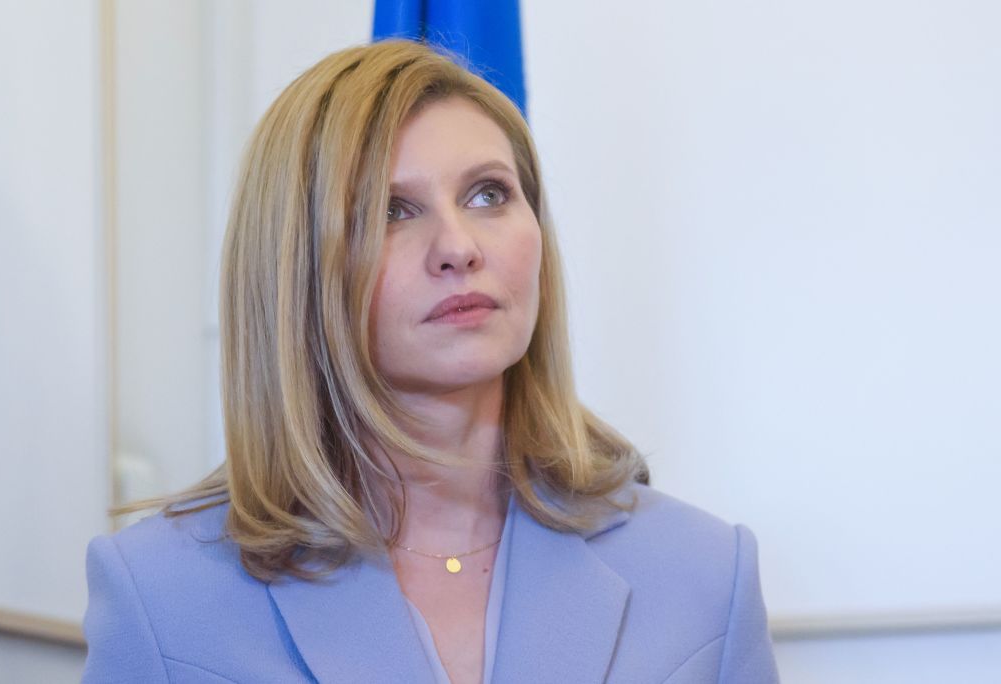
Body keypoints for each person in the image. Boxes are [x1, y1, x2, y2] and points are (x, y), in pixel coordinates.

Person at [81, 39, 779, 683]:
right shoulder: (159, 594)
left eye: (488, 195)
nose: (459, 247)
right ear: (297, 268)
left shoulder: (706, 574)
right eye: (391, 211)